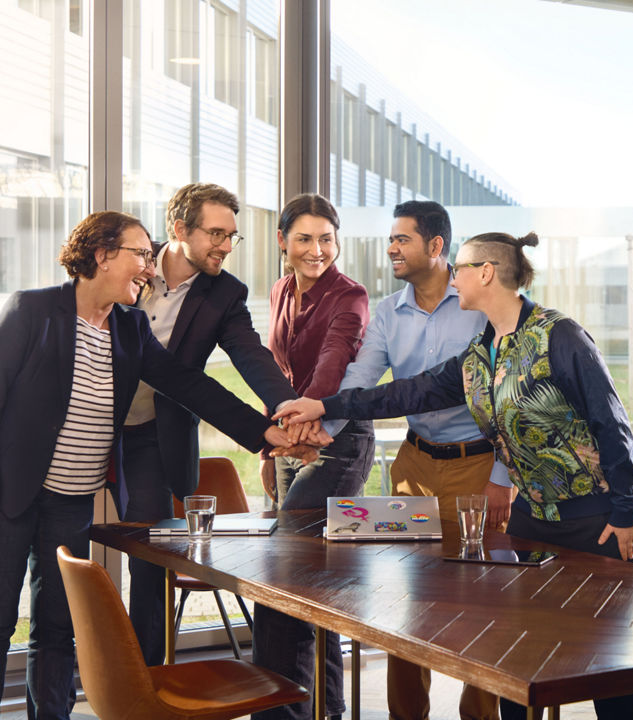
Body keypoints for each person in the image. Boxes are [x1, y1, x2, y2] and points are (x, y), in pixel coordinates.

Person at [281, 231, 633, 720]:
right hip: (532, 519)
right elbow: (406, 393)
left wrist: (627, 510)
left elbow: (611, 422)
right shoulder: (481, 353)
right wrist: (325, 406)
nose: (454, 279)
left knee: (609, 664)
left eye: (462, 270)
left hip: (594, 520)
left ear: (487, 273)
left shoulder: (560, 336)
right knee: (521, 659)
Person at [0, 211, 298, 720]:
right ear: (102, 255)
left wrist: (264, 432)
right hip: (7, 497)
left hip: (72, 502)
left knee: (57, 627)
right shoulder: (32, 310)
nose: (150, 269)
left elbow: (190, 385)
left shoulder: (130, 327)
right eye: (140, 255)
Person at [325, 200, 512, 720]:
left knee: (484, 599)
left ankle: (480, 715)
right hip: (414, 466)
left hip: (478, 465)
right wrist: (319, 429)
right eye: (390, 239)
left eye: (401, 239)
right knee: (406, 601)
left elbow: (508, 397)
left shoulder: (480, 302)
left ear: (435, 245)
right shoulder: (387, 312)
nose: (391, 248)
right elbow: (362, 381)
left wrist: (503, 475)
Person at [115, 182, 299, 666]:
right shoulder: (130, 263)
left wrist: (286, 407)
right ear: (180, 229)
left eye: (231, 236)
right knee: (64, 554)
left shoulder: (225, 293)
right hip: (89, 426)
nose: (226, 245)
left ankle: (148, 680)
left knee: (151, 561)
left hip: (152, 436)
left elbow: (250, 355)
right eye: (216, 233)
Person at [252, 193, 375, 720]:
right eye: (304, 238)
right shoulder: (281, 290)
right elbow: (276, 371)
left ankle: (281, 712)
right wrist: (272, 444)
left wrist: (306, 423)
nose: (316, 250)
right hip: (289, 439)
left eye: (326, 239)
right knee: (311, 582)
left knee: (283, 570)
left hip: (337, 442)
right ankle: (326, 709)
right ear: (282, 241)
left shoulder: (351, 295)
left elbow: (333, 361)